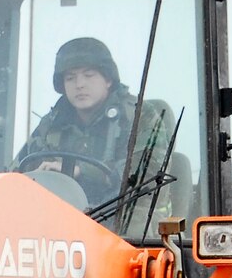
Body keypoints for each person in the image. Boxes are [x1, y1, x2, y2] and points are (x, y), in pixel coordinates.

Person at [18, 37, 172, 210]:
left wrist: (81, 171)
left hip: (127, 224)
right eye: (70, 78)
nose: (80, 85)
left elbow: (146, 179)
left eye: (89, 75)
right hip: (63, 224)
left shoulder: (140, 117)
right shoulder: (52, 124)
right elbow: (18, 170)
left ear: (108, 79)